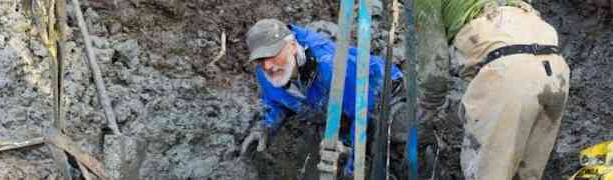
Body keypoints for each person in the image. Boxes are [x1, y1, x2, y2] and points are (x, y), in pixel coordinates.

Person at [414, 0, 570, 179]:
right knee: (525, 175)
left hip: (509, 70)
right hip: (555, 70)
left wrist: (428, 104)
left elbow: (434, 57)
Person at [239, 19, 405, 176]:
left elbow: (362, 115)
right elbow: (277, 103)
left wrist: (351, 166)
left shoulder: (330, 65)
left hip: (378, 96)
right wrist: (266, 128)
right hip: (333, 110)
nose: (267, 65)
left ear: (292, 46)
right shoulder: (266, 73)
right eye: (261, 59)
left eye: (272, 54)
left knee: (385, 150)